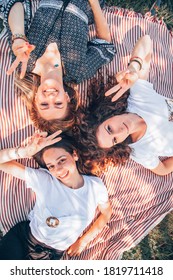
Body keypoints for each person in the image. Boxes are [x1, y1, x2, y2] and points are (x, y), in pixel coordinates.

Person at [3, 0, 115, 132]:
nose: (51, 97)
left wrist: (18, 37)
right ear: (67, 98)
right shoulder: (79, 71)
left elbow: (13, 4)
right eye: (58, 104)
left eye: (44, 104)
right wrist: (94, 3)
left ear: (36, 99)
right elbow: (105, 45)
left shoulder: (25, 61)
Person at [0, 131, 112, 260]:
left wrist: (83, 241)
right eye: (51, 166)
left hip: (52, 255)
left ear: (74, 154)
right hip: (23, 239)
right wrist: (24, 152)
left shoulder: (95, 187)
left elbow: (106, 213)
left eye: (62, 160)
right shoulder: (45, 180)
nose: (58, 170)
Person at [76, 35, 173, 176]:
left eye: (110, 129)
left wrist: (134, 67)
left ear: (106, 116)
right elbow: (163, 170)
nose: (120, 131)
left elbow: (146, 40)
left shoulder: (137, 99)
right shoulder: (140, 151)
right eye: (115, 140)